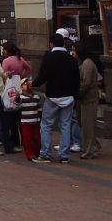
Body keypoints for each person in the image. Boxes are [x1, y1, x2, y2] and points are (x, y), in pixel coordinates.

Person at [32, 33, 80, 163]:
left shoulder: (49, 57)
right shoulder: (71, 59)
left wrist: (33, 84)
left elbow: (43, 76)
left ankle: (45, 154)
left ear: (51, 44)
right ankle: (64, 156)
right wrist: (75, 97)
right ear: (63, 44)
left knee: (46, 125)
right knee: (65, 126)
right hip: (69, 97)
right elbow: (77, 79)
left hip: (53, 96)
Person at [1, 41, 32, 154]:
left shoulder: (6, 61)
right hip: (19, 88)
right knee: (20, 117)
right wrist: (21, 77)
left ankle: (15, 142)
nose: (2, 51)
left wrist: (8, 76)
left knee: (11, 118)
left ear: (7, 50)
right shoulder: (20, 59)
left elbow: (3, 75)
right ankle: (25, 141)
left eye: (3, 49)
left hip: (10, 90)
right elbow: (29, 69)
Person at [76, 45, 103, 159]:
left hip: (89, 97)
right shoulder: (85, 63)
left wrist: (79, 92)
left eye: (74, 50)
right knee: (85, 124)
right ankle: (94, 146)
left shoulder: (87, 64)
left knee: (88, 125)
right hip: (85, 98)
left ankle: (89, 150)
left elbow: (86, 82)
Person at [16, 78, 43, 161]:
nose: (27, 85)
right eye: (24, 84)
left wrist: (39, 118)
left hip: (35, 121)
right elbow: (17, 103)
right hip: (26, 122)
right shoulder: (22, 97)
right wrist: (17, 96)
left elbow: (39, 108)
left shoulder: (36, 96)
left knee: (36, 137)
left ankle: (37, 151)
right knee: (28, 138)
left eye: (28, 83)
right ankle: (29, 153)